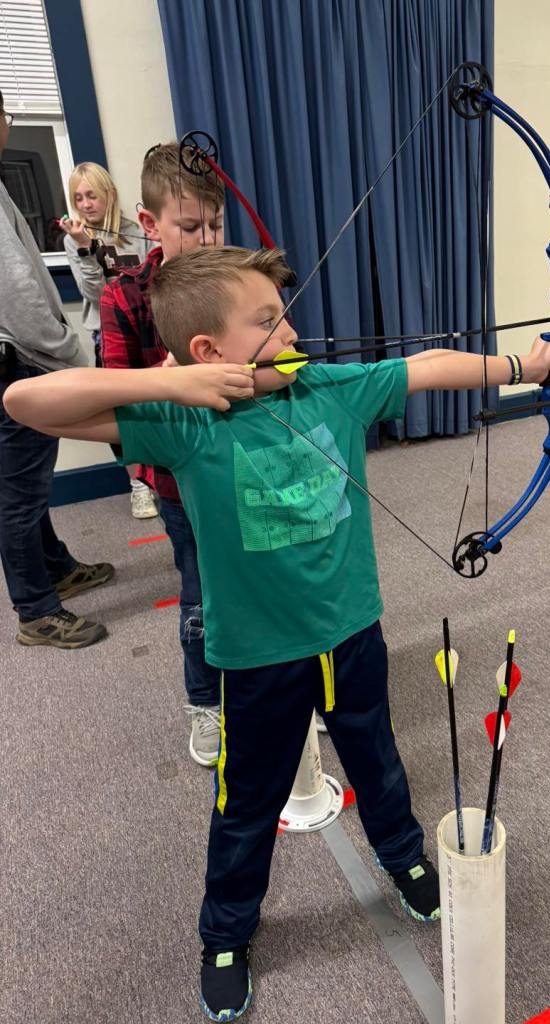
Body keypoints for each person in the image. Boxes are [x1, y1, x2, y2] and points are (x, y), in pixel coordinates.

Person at [4, 244, 550, 1020]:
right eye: (267, 321)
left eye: (284, 313)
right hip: (257, 658)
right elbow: (28, 401)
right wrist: (175, 381)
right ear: (209, 353)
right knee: (247, 801)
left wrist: (523, 365)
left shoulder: (329, 388)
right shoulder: (182, 423)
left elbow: (427, 365)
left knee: (376, 759)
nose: (291, 328)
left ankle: (404, 861)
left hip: (350, 634)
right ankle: (226, 933)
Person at [99, 142, 226, 766]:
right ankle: (207, 702)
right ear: (151, 225)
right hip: (178, 480)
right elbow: (114, 396)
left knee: (262, 582)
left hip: (241, 468)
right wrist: (173, 373)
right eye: (189, 226)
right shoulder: (123, 297)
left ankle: (281, 688)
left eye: (216, 225)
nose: (206, 240)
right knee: (201, 595)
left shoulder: (237, 281)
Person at [0, 88, 113, 649]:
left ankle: (54, 568)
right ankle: (36, 609)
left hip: (23, 356)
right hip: (18, 359)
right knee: (17, 493)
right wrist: (71, 350)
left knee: (25, 483)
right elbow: (17, 292)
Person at [60, 161, 158, 519]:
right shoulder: (75, 239)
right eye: (78, 197)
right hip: (108, 333)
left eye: (92, 195)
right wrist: (86, 248)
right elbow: (93, 291)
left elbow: (156, 280)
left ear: (109, 195)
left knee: (160, 401)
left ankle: (166, 473)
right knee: (124, 410)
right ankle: (138, 487)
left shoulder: (137, 232)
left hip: (150, 326)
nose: (85, 204)